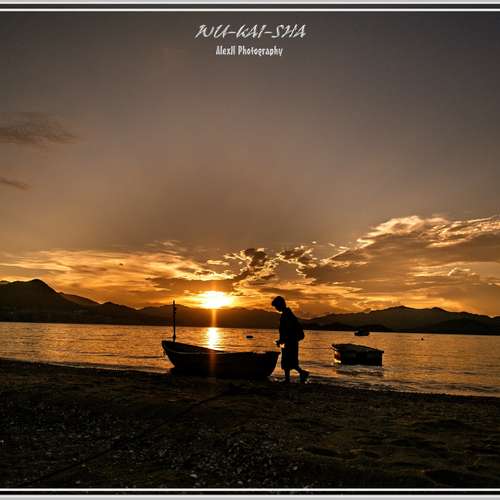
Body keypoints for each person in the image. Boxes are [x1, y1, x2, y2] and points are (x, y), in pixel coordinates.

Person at [272, 296, 309, 384]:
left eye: (276, 306)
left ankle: (300, 374)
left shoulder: (286, 315)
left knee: (288, 360)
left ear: (280, 305)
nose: (276, 308)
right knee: (288, 360)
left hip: (289, 342)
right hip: (289, 341)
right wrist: (281, 340)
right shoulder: (287, 313)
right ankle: (291, 377)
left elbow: (287, 331)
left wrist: (281, 340)